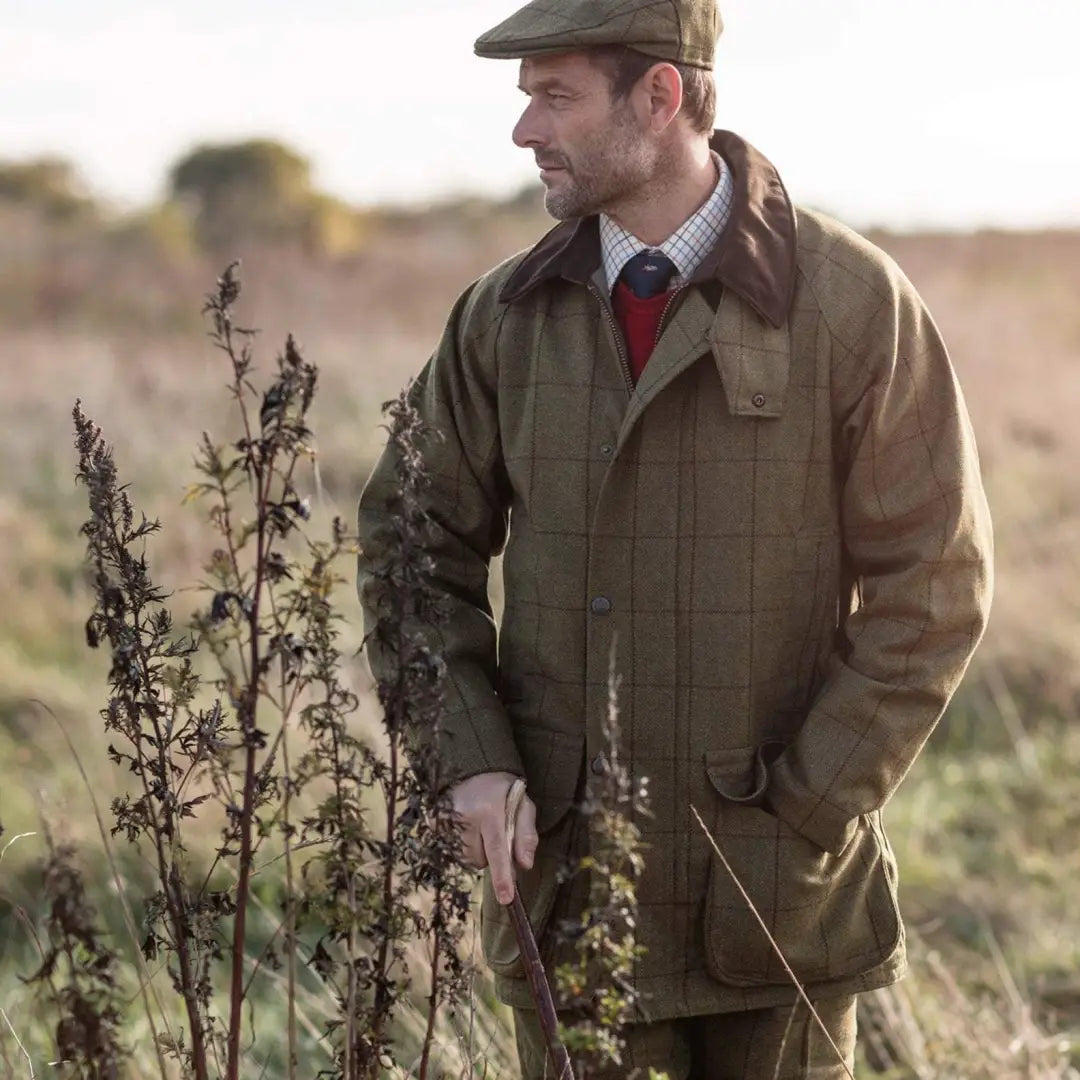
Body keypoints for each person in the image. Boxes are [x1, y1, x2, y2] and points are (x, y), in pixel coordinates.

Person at [356, 0, 994, 1075]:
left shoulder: (851, 304)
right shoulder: (503, 318)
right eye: (525, 101)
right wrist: (468, 761)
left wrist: (803, 812)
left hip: (780, 907)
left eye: (555, 97)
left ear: (661, 97)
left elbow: (935, 585)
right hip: (569, 887)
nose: (525, 132)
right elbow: (411, 550)